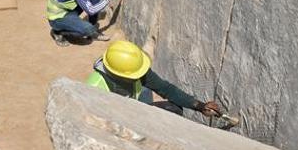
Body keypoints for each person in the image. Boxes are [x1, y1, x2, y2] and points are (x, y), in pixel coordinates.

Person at [86, 40, 223, 118]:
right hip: (116, 118)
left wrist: (199, 105)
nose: (140, 76)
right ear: (118, 75)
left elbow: (165, 89)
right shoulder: (94, 88)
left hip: (132, 109)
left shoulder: (135, 69)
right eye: (135, 75)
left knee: (173, 109)